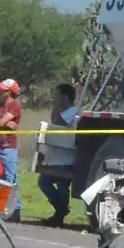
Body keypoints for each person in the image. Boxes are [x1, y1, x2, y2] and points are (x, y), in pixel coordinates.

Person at [36, 83, 82, 227]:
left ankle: (61, 212)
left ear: (65, 97)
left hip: (66, 158)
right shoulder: (66, 112)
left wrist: (56, 106)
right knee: (49, 182)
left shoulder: (73, 112)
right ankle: (60, 212)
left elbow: (57, 122)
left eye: (58, 96)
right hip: (59, 157)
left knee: (50, 182)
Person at [0, 79, 24, 220]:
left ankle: (15, 210)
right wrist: (1, 123)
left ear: (9, 92)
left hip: (8, 149)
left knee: (10, 179)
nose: (0, 91)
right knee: (0, 179)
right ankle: (3, 209)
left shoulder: (15, 106)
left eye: (3, 89)